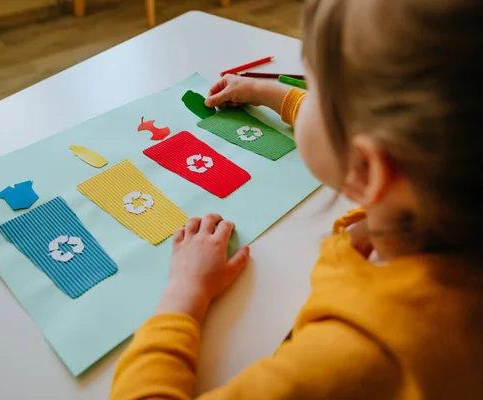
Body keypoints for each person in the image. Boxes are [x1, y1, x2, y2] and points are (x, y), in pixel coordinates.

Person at [111, 0, 483, 398]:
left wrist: (184, 293)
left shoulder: (353, 356)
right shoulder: (438, 192)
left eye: (313, 85)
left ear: (369, 170)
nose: (302, 92)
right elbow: (357, 128)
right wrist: (267, 92)